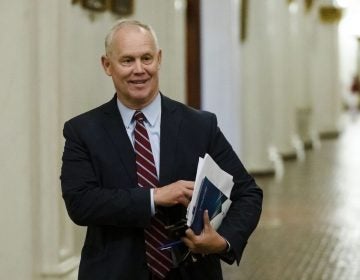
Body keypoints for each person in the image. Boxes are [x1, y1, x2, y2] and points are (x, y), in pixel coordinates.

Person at [60, 19, 262, 280]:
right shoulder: (83, 131)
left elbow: (247, 192)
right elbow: (81, 203)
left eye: (146, 58)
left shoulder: (200, 125)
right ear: (107, 65)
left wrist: (223, 241)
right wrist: (154, 197)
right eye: (127, 60)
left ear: (159, 59)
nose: (139, 69)